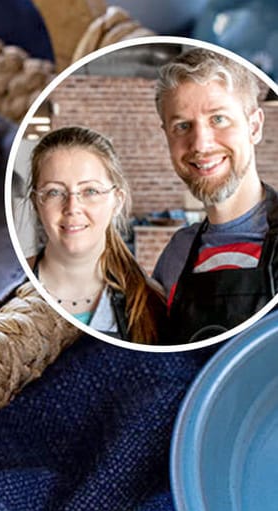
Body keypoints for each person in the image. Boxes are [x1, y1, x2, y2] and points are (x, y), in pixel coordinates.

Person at [151, 47, 276, 343]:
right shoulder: (176, 254)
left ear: (254, 126)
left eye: (218, 119)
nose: (201, 144)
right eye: (182, 126)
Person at [27, 126, 167, 344]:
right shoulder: (1, 293)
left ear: (117, 201)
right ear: (36, 202)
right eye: (55, 192)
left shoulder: (153, 304)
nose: (72, 207)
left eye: (90, 191)